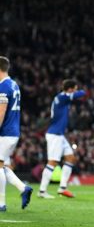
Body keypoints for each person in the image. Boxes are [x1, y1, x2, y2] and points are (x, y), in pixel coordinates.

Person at [38, 79, 86, 198]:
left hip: (59, 135)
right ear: (70, 89)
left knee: (70, 158)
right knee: (52, 162)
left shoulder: (62, 99)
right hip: (54, 135)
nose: (75, 91)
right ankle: (42, 191)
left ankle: (62, 188)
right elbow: (81, 94)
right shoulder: (62, 96)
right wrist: (80, 91)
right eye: (74, 88)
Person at [0, 56, 33, 211]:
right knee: (4, 165)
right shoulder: (14, 85)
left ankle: (1, 203)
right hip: (12, 131)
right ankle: (23, 188)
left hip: (5, 132)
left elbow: (1, 111)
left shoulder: (3, 87)